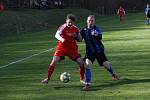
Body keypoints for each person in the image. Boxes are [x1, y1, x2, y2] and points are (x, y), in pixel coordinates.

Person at [41, 14, 85, 84]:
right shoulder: (62, 27)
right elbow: (56, 35)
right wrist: (61, 39)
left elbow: (80, 39)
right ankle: (48, 79)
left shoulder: (75, 29)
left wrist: (77, 36)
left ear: (73, 23)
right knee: (53, 62)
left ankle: (82, 79)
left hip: (72, 49)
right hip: (62, 48)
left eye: (71, 22)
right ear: (66, 21)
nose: (70, 23)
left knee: (81, 63)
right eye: (69, 22)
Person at [80, 15, 119, 90]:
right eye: (89, 20)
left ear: (94, 22)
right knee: (87, 65)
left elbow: (100, 36)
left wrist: (96, 34)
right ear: (87, 21)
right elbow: (79, 39)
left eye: (92, 21)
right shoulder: (83, 30)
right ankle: (88, 84)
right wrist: (75, 36)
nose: (91, 22)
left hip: (99, 51)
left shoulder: (96, 28)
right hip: (90, 52)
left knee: (106, 65)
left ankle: (113, 74)